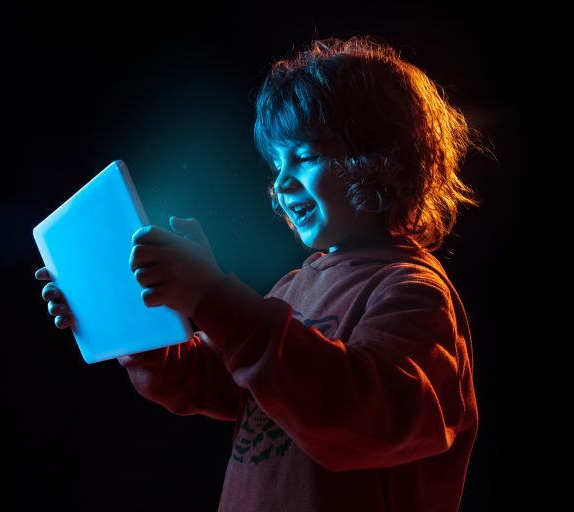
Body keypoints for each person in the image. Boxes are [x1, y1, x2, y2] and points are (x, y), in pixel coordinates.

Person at [36, 36, 480, 512]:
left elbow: (369, 418)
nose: (283, 183)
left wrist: (212, 297)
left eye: (306, 157)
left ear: (382, 160)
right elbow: (214, 382)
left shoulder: (412, 290)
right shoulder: (293, 287)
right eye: (277, 164)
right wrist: (130, 311)